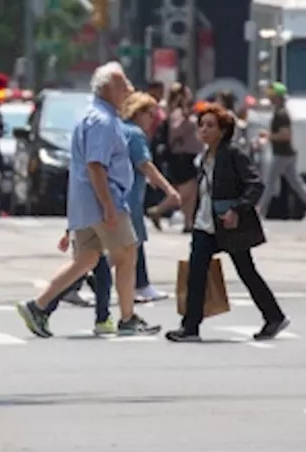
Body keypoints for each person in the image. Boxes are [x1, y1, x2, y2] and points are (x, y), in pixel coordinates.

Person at [16, 62, 160, 338]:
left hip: (85, 203)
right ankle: (128, 318)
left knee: (86, 259)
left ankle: (38, 306)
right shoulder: (103, 121)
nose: (129, 88)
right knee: (128, 252)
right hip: (104, 201)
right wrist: (108, 205)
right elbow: (96, 166)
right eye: (123, 84)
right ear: (108, 88)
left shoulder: (94, 117)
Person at [166, 103, 289, 342]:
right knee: (197, 273)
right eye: (201, 125)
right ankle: (190, 328)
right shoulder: (204, 158)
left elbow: (256, 184)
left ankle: (274, 316)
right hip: (205, 225)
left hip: (229, 224)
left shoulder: (233, 154)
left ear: (223, 130)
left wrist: (236, 209)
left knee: (246, 271)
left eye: (210, 126)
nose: (203, 130)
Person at [120, 91, 181, 302]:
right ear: (138, 112)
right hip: (130, 197)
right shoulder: (135, 134)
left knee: (132, 241)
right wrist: (169, 190)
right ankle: (80, 279)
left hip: (119, 194)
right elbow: (145, 165)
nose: (152, 119)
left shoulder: (120, 129)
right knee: (130, 243)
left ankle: (141, 284)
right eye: (150, 114)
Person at [256, 83, 306, 220]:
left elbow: (285, 135)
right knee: (296, 183)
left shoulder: (281, 114)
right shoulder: (280, 112)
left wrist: (268, 136)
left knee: (269, 182)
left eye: (272, 96)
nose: (270, 99)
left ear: (278, 97)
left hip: (282, 154)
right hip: (287, 154)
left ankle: (260, 211)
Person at [153, 83, 199, 233]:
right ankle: (158, 210)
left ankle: (188, 223)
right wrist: (186, 118)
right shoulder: (178, 113)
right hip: (180, 157)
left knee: (191, 191)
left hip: (189, 156)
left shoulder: (186, 112)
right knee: (186, 191)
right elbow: (176, 131)